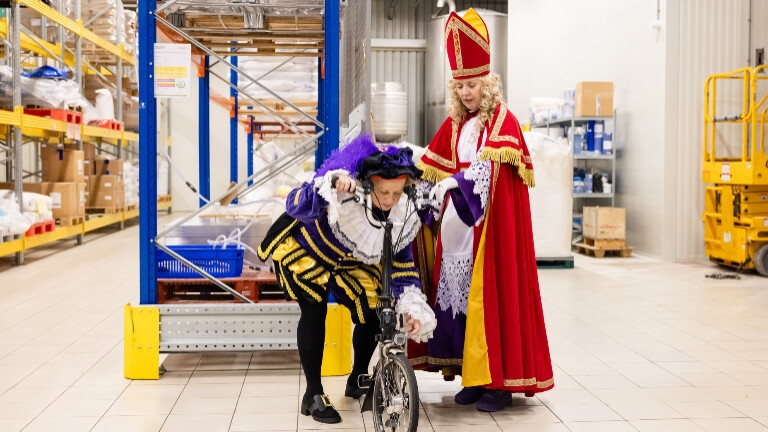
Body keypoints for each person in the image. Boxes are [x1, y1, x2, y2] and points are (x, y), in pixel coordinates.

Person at [410, 8, 554, 412]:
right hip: (457, 229)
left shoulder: (502, 121)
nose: (467, 93)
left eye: (472, 84)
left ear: (487, 82)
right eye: (460, 87)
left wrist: (455, 182)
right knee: (456, 304)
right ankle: (470, 375)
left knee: (488, 302)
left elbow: (488, 172)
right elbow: (429, 165)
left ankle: (497, 384)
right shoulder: (456, 124)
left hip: (489, 233)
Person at [257, 134, 436, 424]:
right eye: (384, 193)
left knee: (372, 310)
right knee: (314, 309)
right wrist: (330, 183)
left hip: (348, 261)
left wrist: (412, 309)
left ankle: (356, 377)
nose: (390, 200)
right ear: (370, 184)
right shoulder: (344, 191)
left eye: (396, 193)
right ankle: (313, 394)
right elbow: (294, 203)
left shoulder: (403, 213)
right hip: (309, 251)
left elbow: (402, 268)